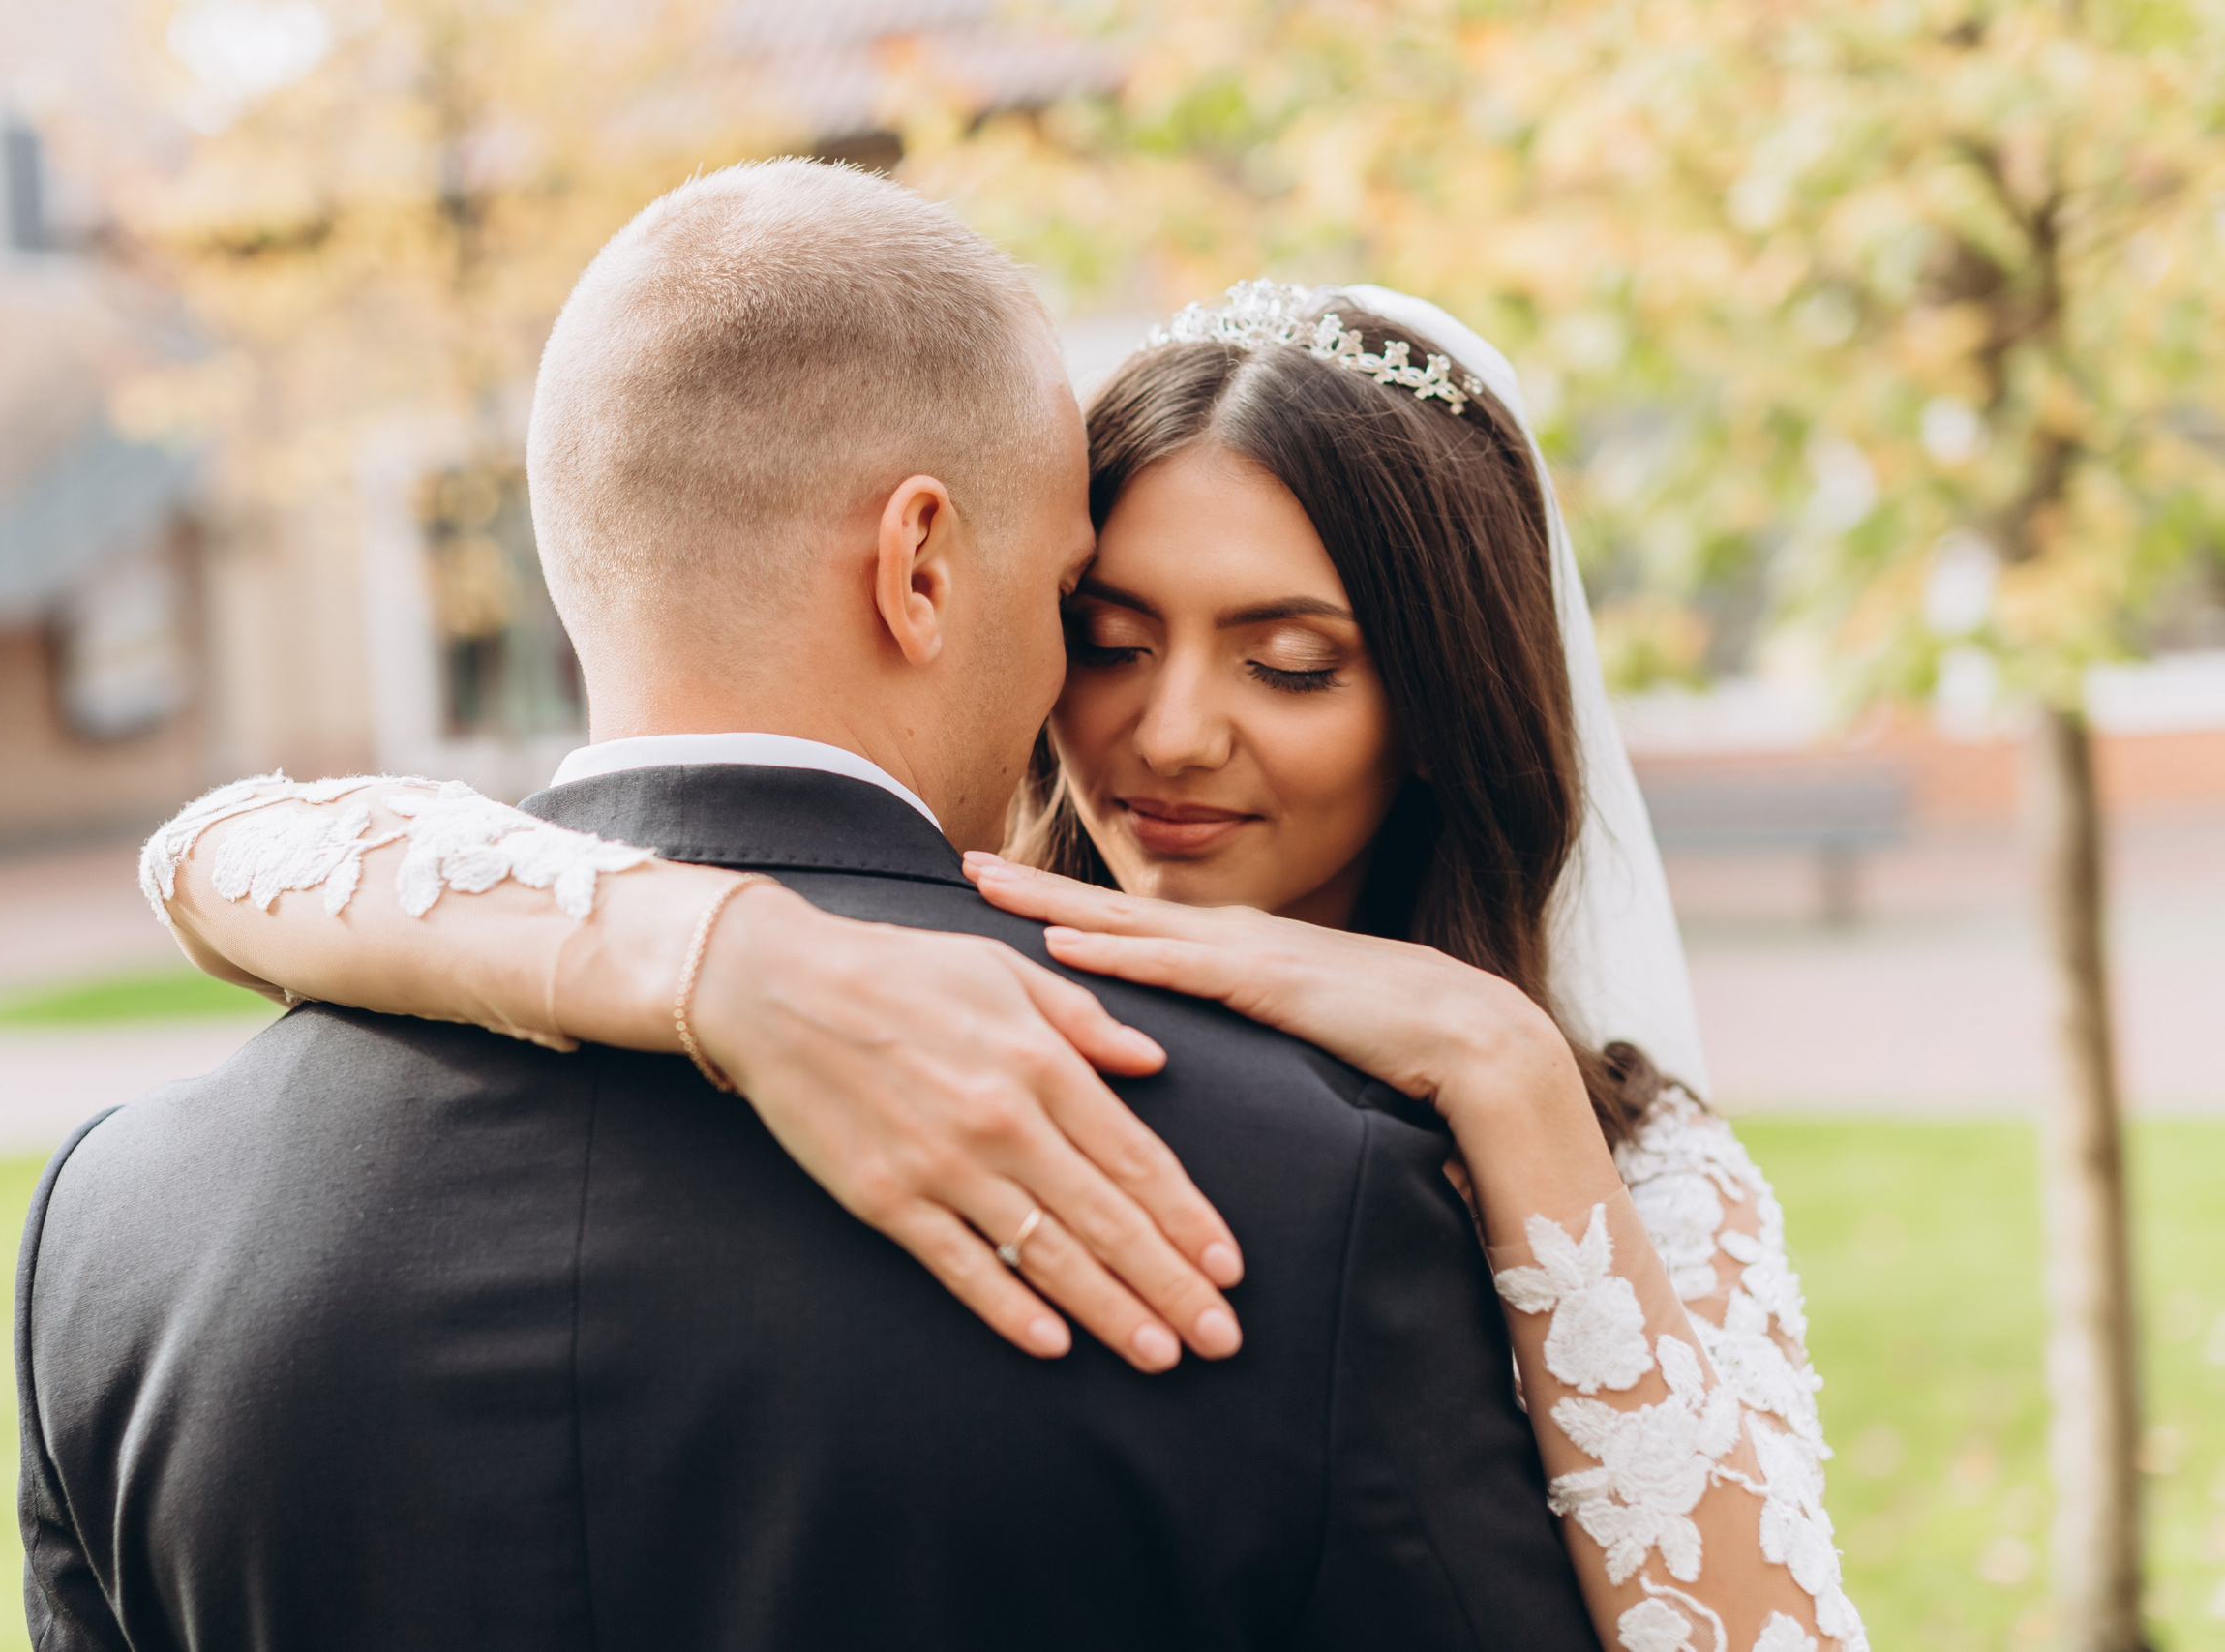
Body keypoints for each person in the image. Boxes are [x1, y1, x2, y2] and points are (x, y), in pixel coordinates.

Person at [128, 261, 1866, 1652]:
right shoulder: (895, 984)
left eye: (1289, 664)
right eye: (1109, 639)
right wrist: (736, 963)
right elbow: (222, 853)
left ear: (1441, 706)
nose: (1171, 735)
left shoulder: (1637, 1159)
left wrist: (1501, 1068)